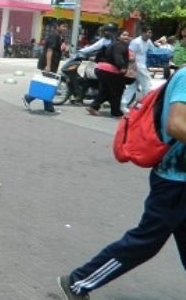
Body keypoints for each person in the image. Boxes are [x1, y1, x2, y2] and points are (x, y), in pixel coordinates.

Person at [58, 66, 186, 299]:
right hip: (174, 181)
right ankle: (78, 282)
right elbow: (176, 125)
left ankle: (78, 282)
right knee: (145, 241)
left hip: (179, 178)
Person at [23, 20, 68, 114]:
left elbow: (55, 50)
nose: (65, 29)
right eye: (63, 26)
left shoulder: (58, 36)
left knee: (47, 84)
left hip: (52, 64)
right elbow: (49, 50)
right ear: (57, 26)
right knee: (47, 85)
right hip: (47, 64)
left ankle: (47, 106)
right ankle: (30, 98)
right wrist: (48, 66)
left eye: (66, 27)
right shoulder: (54, 36)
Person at [88, 29, 132, 117]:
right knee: (117, 91)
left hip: (101, 69)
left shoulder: (114, 44)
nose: (126, 37)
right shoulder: (119, 45)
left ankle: (94, 107)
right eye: (124, 35)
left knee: (106, 90)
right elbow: (118, 57)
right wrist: (122, 67)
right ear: (118, 37)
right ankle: (116, 112)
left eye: (127, 35)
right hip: (109, 71)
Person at [121, 26, 154, 112]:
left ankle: (123, 104)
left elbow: (153, 50)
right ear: (142, 33)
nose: (149, 34)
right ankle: (146, 106)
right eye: (148, 32)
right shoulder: (136, 42)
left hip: (143, 66)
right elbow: (130, 53)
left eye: (150, 33)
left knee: (133, 86)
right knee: (147, 85)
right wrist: (132, 66)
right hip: (137, 66)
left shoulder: (148, 41)